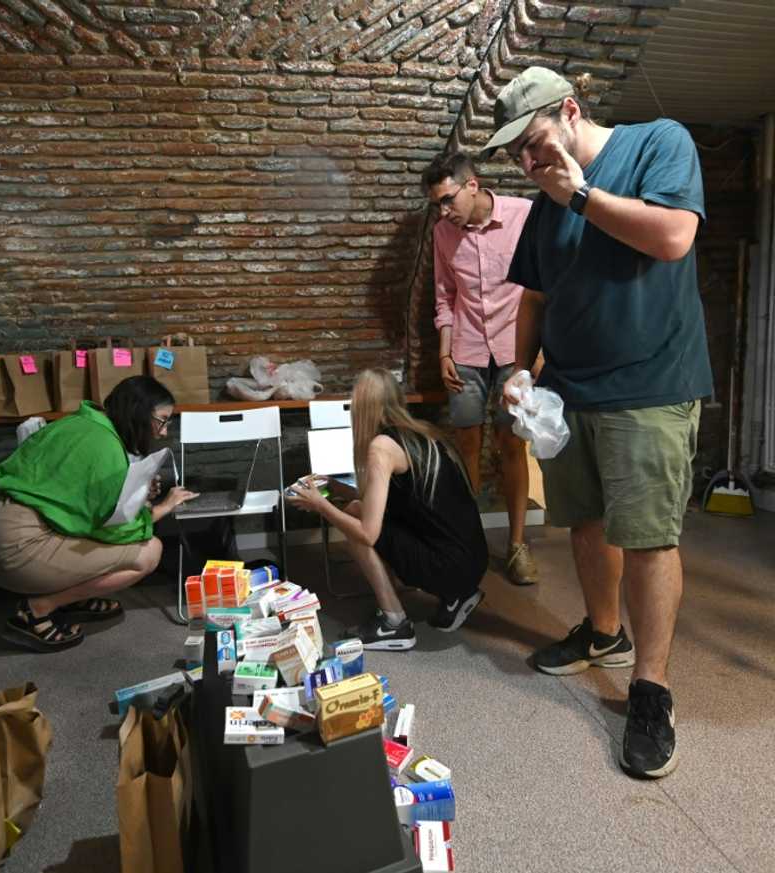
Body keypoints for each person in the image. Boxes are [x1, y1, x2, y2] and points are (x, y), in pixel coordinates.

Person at [482, 67, 711, 779]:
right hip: (569, 391)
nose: (527, 160)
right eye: (515, 153)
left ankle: (650, 686)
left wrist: (579, 193)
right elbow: (533, 299)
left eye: (534, 140)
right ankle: (603, 632)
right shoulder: (542, 202)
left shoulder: (657, 144)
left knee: (645, 536)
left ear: (572, 111)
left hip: (649, 385)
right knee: (584, 523)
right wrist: (519, 370)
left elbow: (673, 236)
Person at [0, 376, 197, 652]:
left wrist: (133, 493)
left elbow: (74, 500)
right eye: (162, 420)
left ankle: (70, 596)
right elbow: (116, 530)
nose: (163, 431)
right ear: (139, 413)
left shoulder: (80, 424)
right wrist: (164, 506)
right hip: (19, 550)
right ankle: (36, 610)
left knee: (119, 543)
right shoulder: (105, 447)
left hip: (1, 532)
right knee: (148, 552)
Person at [287, 369, 487, 650]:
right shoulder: (421, 431)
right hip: (472, 559)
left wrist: (320, 505)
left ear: (363, 407)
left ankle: (395, 623)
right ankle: (457, 595)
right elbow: (395, 502)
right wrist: (335, 487)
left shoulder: (381, 446)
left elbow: (368, 534)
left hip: (449, 566)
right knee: (357, 505)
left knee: (356, 519)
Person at [423, 151, 540, 586]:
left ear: (472, 184)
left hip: (516, 350)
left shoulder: (524, 215)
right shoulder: (442, 233)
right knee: (466, 444)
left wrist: (538, 356)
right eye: (437, 204)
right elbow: (443, 296)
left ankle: (516, 546)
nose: (444, 210)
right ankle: (469, 541)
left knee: (512, 444)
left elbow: (543, 285)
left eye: (448, 200)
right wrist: (444, 352)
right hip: (467, 350)